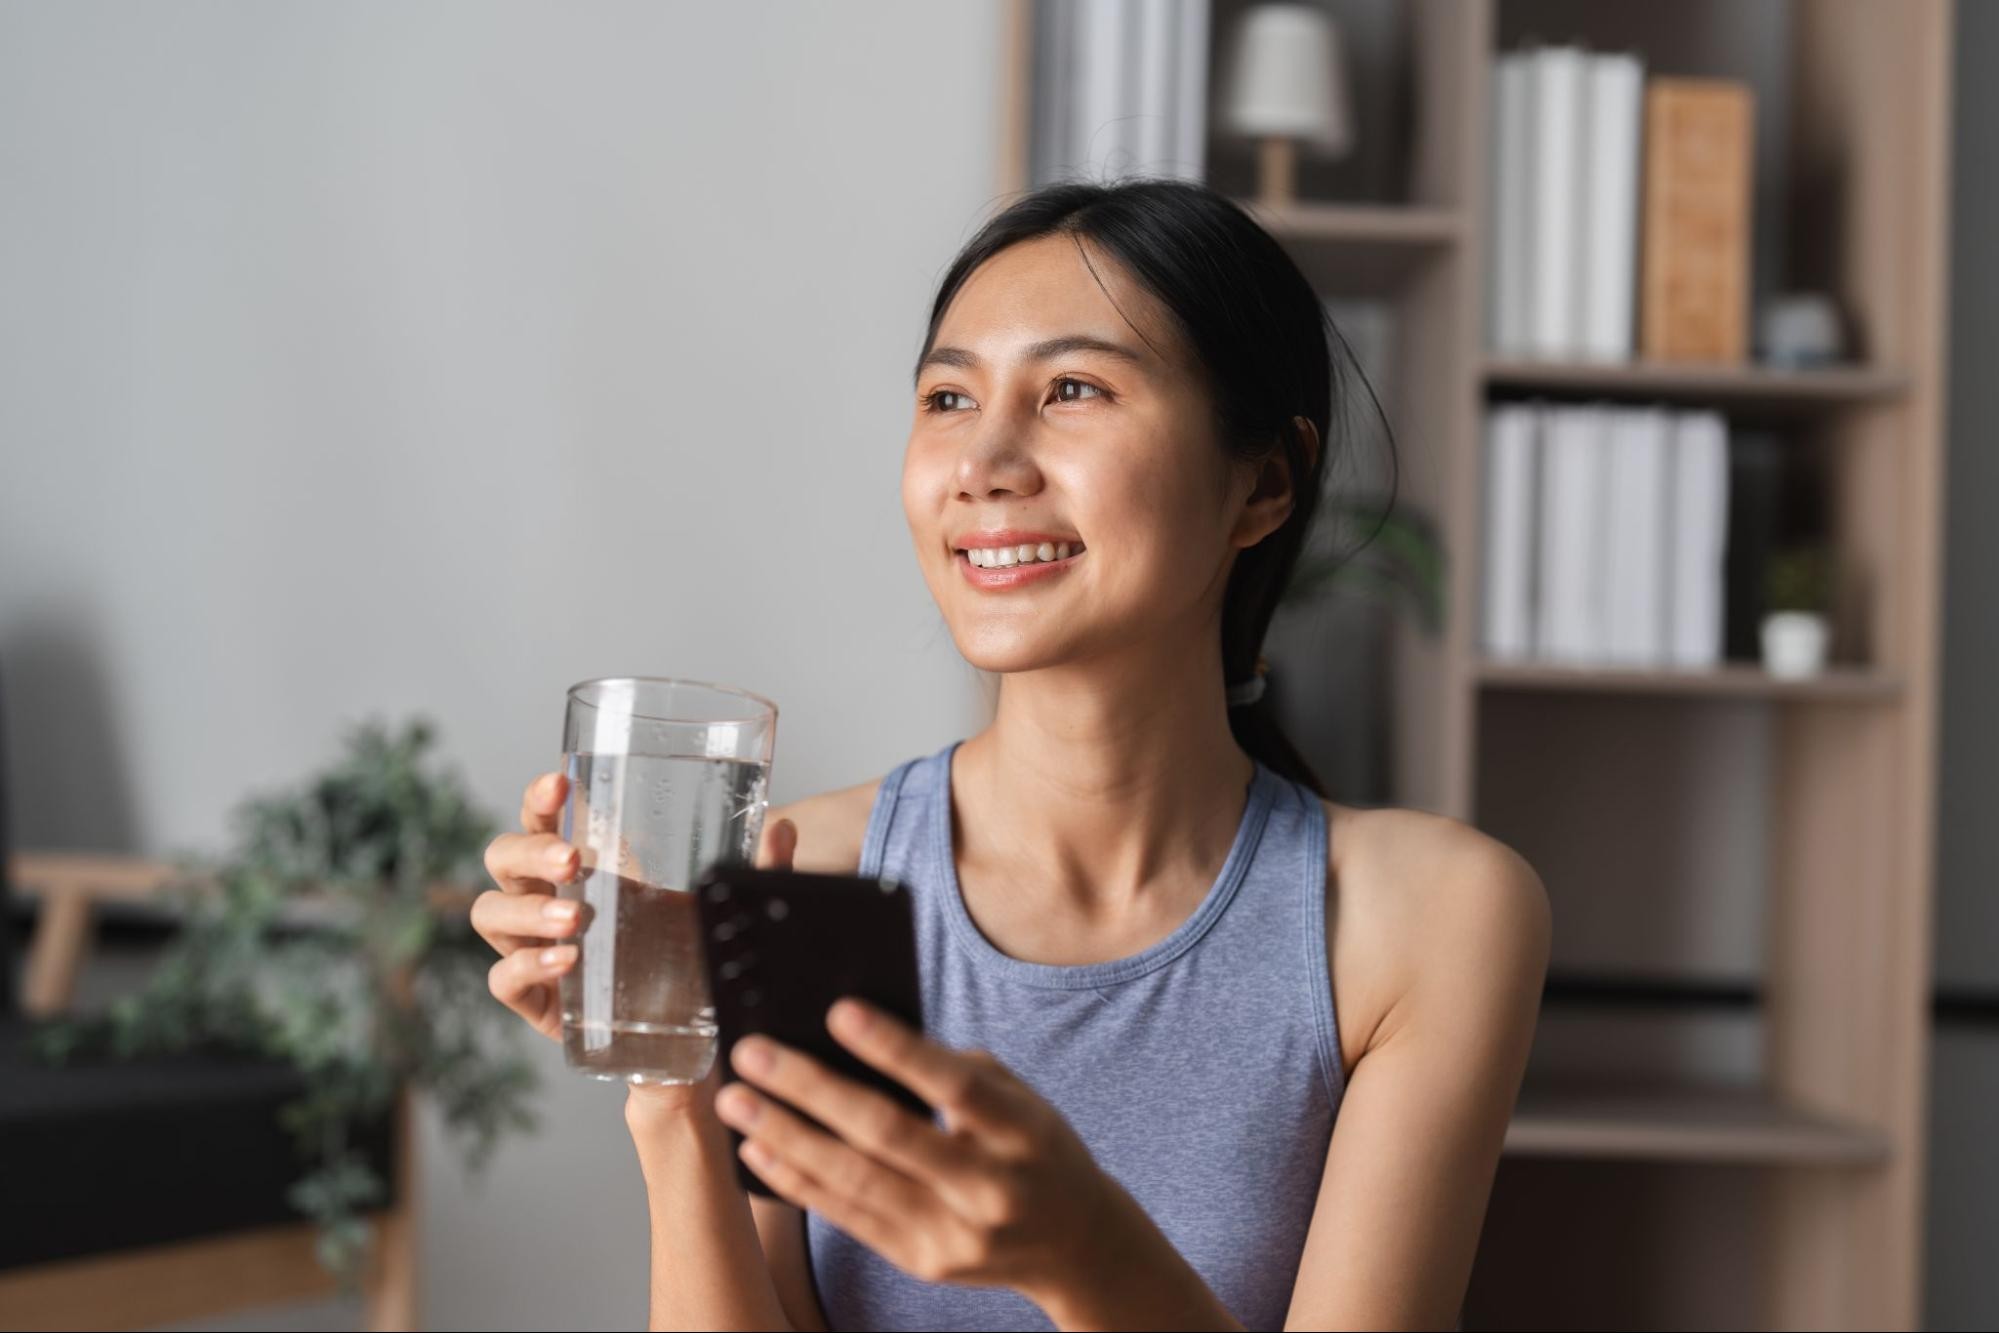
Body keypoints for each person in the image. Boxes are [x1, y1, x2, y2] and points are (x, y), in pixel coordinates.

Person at [472, 177, 1550, 1331]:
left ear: (1264, 480)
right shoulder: (805, 878)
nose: (983, 460)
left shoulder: (1423, 919)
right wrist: (675, 1088)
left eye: (1073, 389)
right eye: (946, 397)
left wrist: (1085, 1255)